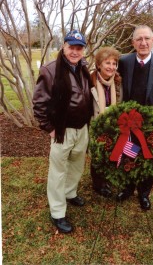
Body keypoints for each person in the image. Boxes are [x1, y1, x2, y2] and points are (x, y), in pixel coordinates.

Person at [32, 30, 93, 233]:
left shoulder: (83, 66)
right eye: (71, 47)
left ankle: (70, 192)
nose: (75, 51)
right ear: (63, 47)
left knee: (77, 163)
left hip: (82, 127)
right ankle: (57, 212)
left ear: (83, 50)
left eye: (79, 48)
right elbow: (39, 103)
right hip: (61, 130)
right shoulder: (50, 70)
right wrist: (49, 127)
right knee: (58, 171)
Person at [117, 25, 153, 210]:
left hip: (152, 124)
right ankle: (127, 188)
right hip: (128, 123)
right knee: (129, 154)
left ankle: (144, 193)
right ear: (133, 42)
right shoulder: (124, 62)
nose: (143, 43)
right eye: (139, 39)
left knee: (148, 158)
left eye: (147, 39)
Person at [90, 46, 122, 197]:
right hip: (95, 123)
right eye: (107, 63)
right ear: (99, 64)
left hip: (113, 123)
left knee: (109, 151)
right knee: (97, 154)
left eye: (114, 63)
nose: (111, 67)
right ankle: (98, 184)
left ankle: (107, 179)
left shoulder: (117, 81)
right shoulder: (90, 80)